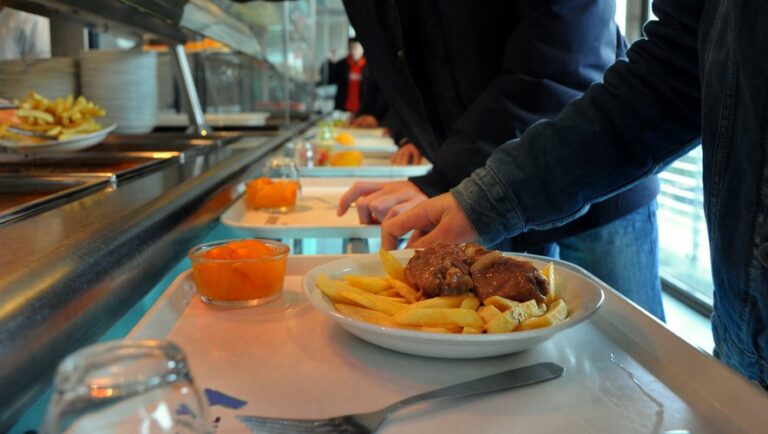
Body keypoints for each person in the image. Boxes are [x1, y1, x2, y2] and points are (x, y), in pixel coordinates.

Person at [381, 0, 768, 386]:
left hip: (606, 200)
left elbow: (564, 59)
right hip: (744, 337)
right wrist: (480, 198)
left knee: (630, 375)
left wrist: (456, 179)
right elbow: (671, 73)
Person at [338, 0, 666, 320]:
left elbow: (566, 58)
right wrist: (415, 143)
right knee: (514, 351)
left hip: (593, 179)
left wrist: (448, 177)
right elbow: (408, 68)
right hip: (481, 196)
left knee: (629, 346)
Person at [330, 38, 368, 114]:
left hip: (362, 109)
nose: (353, 51)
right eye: (351, 48)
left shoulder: (367, 66)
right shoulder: (341, 65)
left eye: (356, 48)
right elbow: (330, 79)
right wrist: (331, 64)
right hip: (343, 108)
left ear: (362, 49)